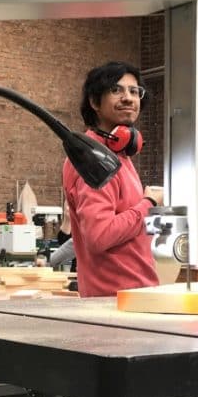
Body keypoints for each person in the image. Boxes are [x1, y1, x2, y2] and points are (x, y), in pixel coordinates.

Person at [61, 61, 162, 298]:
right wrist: (148, 204)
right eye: (116, 90)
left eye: (134, 91)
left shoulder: (119, 155)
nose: (128, 98)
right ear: (94, 102)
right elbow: (99, 236)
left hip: (133, 297)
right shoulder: (93, 159)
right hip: (114, 302)